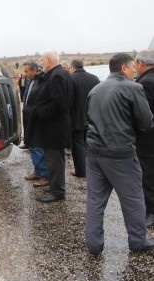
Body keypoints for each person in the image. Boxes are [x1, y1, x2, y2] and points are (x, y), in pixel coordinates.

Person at [85, 53, 154, 254]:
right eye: (132, 66)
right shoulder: (133, 88)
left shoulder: (95, 90)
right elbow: (146, 123)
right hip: (120, 154)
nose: (134, 70)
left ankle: (94, 244)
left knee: (95, 202)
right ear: (124, 68)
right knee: (133, 200)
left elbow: (87, 119)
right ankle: (137, 241)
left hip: (94, 153)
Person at [23, 50, 73, 203]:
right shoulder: (57, 74)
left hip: (54, 129)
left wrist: (38, 112)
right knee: (55, 160)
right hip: (54, 128)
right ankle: (56, 189)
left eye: (43, 60)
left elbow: (58, 103)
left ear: (50, 60)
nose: (42, 63)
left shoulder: (57, 76)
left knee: (55, 161)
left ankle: (57, 191)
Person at [69, 59, 100, 178]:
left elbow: (70, 100)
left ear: (72, 67)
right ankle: (92, 168)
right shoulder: (94, 78)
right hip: (92, 116)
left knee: (77, 145)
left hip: (76, 118)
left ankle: (81, 171)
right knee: (90, 143)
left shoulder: (71, 79)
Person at [22, 59, 49, 187]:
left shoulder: (42, 81)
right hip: (29, 117)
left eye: (27, 71)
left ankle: (44, 175)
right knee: (32, 145)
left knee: (38, 147)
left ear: (34, 70)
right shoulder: (30, 81)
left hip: (37, 119)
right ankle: (37, 171)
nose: (25, 74)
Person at [135, 50, 154, 228]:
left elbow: (144, 115)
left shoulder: (146, 83)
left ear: (141, 63)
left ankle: (151, 212)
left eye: (135, 64)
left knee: (147, 176)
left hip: (148, 140)